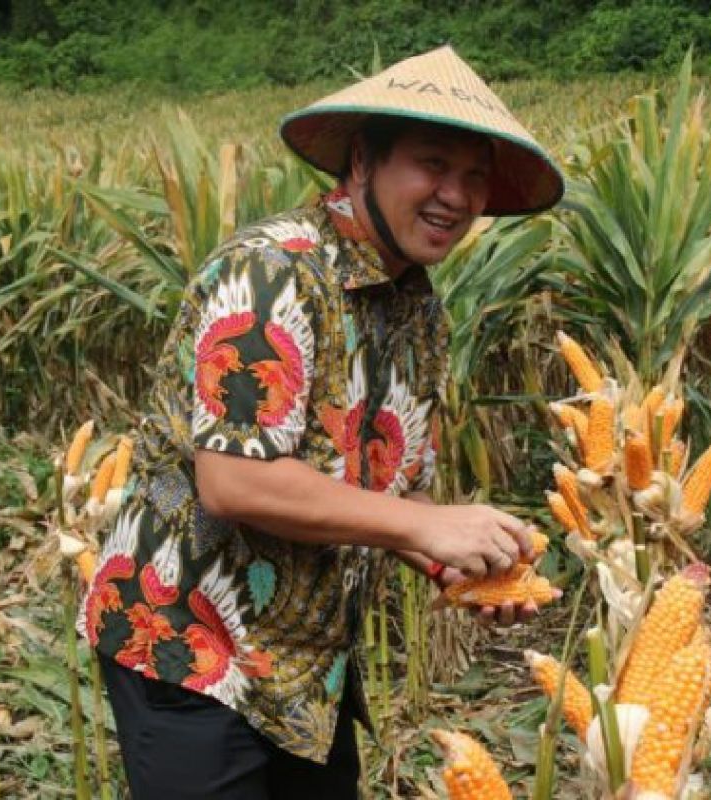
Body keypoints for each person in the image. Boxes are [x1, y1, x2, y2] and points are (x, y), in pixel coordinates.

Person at [80, 45, 564, 799]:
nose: (457, 195)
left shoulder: (417, 306)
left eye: (475, 177)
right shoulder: (273, 273)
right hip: (192, 644)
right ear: (363, 160)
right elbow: (235, 481)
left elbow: (387, 492)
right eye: (433, 165)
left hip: (309, 664)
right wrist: (422, 529)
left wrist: (451, 561)